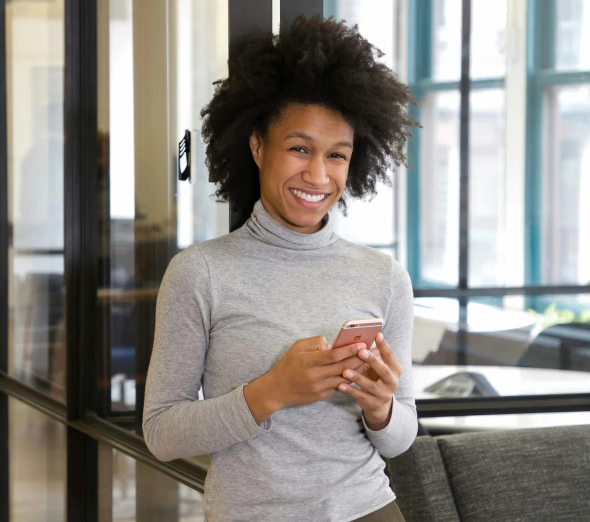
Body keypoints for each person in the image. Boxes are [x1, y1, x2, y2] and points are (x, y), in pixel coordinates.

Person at [143, 15, 417, 522]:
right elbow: (162, 432)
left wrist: (380, 408)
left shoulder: (384, 276)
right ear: (256, 146)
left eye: (337, 155)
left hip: (370, 510)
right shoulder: (199, 273)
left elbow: (402, 438)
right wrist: (271, 392)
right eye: (299, 148)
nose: (318, 174)